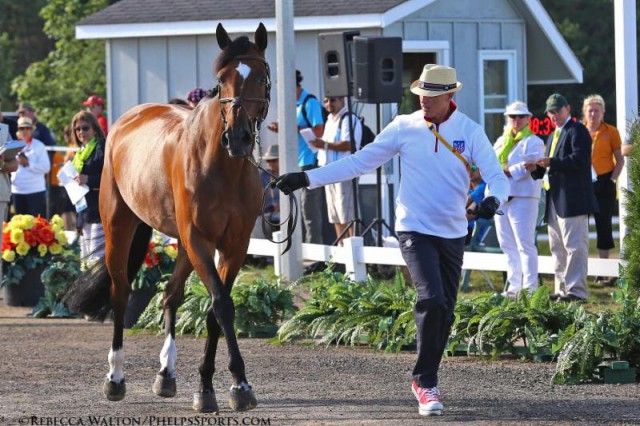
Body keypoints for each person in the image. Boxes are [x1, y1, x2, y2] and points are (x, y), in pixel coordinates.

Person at [274, 64, 509, 417]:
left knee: (445, 310)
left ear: (450, 96)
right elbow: (358, 162)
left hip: (454, 231)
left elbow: (495, 175)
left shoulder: (470, 131)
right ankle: (425, 382)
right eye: (420, 95)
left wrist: (494, 199)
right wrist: (307, 179)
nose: (423, 101)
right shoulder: (404, 126)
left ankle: (427, 374)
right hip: (413, 227)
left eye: (431, 96)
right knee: (430, 298)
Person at [530, 94, 597, 302]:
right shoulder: (553, 134)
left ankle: (576, 291)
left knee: (575, 247)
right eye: (551, 112)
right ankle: (562, 289)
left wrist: (551, 161)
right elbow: (552, 167)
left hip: (573, 199)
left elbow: (579, 160)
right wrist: (536, 169)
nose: (554, 115)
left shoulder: (578, 131)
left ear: (568, 109)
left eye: (558, 111)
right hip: (555, 198)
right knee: (557, 248)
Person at [492, 101, 545, 297]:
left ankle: (530, 289)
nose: (516, 120)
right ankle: (513, 287)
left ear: (528, 119)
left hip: (523, 197)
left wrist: (506, 171)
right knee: (507, 245)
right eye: (513, 116)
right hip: (501, 197)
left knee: (525, 245)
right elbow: (491, 162)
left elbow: (529, 165)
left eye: (521, 116)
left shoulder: (534, 141)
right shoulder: (500, 141)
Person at [267, 69, 325, 246]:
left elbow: (319, 131)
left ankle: (314, 253)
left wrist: (292, 127)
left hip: (310, 163)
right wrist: (281, 127)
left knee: (310, 211)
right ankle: (302, 248)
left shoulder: (310, 102)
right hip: (295, 164)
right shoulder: (293, 105)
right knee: (298, 209)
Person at [308, 96, 362, 244]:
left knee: (348, 215)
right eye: (325, 101)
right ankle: (342, 250)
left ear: (342, 101)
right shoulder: (330, 120)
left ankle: (353, 255)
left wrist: (324, 145)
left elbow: (348, 145)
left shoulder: (349, 118)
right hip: (330, 173)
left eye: (333, 100)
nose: (328, 104)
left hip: (345, 172)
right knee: (335, 215)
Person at [582, 94, 624, 285]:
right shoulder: (578, 130)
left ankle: (603, 271)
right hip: (582, 184)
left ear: (603, 112)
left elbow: (620, 159)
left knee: (604, 227)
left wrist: (612, 180)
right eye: (590, 110)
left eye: (597, 110)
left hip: (604, 181)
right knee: (580, 227)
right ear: (584, 112)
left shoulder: (611, 131)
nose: (593, 113)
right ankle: (581, 269)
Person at [70, 111, 106, 262]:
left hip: (99, 210)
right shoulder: (78, 155)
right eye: (77, 129)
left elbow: (110, 179)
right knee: (85, 258)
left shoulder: (101, 148)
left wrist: (88, 179)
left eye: (85, 128)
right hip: (83, 212)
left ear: (95, 129)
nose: (81, 132)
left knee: (95, 259)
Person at [12, 117, 51, 217]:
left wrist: (28, 163)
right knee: (18, 227)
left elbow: (46, 168)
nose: (25, 131)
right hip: (17, 190)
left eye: (27, 128)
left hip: (35, 191)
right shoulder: (12, 145)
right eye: (22, 128)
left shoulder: (39, 146)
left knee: (36, 227)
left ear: (32, 130)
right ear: (18, 130)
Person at [49, 126, 76, 230]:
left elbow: (72, 162)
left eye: (66, 134)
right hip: (65, 182)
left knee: (68, 209)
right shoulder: (70, 146)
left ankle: (71, 230)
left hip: (70, 183)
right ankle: (69, 230)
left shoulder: (73, 147)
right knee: (66, 209)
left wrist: (63, 163)